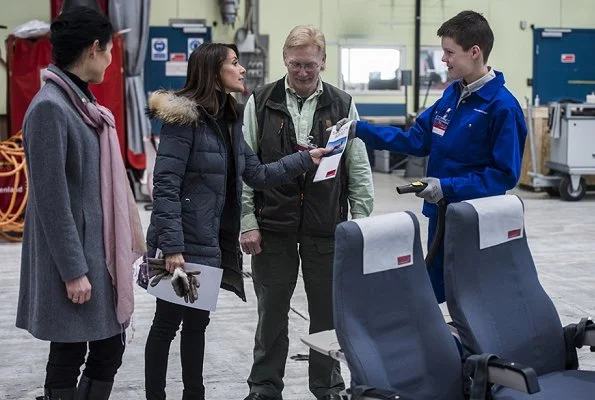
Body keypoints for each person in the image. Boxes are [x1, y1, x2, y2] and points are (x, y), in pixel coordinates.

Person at [144, 43, 332, 400]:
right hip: (181, 243)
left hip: (211, 241)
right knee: (166, 324)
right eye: (234, 63)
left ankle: (193, 395)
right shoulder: (182, 119)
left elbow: (257, 173)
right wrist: (172, 247)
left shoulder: (228, 119)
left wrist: (307, 160)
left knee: (197, 324)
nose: (242, 69)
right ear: (214, 72)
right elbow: (165, 185)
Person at [336, 10, 527, 304]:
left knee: (469, 297)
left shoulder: (502, 108)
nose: (443, 59)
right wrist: (358, 129)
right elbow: (414, 140)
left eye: (449, 52)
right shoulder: (451, 96)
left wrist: (447, 187)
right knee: (435, 291)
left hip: (474, 222)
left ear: (475, 52)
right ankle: (439, 348)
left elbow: (503, 175)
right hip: (441, 216)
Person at [16, 6, 145, 400]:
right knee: (70, 350)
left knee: (109, 346)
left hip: (96, 254)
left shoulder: (84, 107)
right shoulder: (50, 109)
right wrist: (73, 270)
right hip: (72, 261)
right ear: (93, 49)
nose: (110, 59)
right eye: (108, 50)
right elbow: (51, 202)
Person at [241, 25, 374, 400]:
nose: (302, 72)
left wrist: (360, 224)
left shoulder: (342, 103)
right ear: (284, 60)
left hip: (326, 226)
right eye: (296, 64)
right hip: (272, 228)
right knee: (271, 315)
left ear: (323, 62)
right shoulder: (261, 101)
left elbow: (358, 167)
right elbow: (246, 169)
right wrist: (248, 221)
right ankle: (264, 387)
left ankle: (328, 387)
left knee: (328, 316)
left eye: (310, 66)